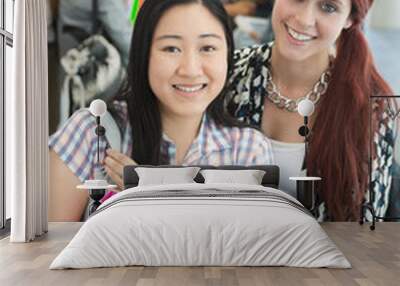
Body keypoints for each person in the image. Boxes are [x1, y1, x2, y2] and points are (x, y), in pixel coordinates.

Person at [48, 0, 274, 222]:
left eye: (207, 48)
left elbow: (248, 252)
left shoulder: (248, 151)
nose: (190, 70)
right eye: (171, 48)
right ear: (143, 54)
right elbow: (49, 251)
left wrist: (148, 192)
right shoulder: (91, 133)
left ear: (228, 55)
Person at [225, 0, 396, 221]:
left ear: (350, 19)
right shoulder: (226, 75)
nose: (304, 19)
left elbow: (365, 232)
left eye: (328, 7)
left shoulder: (371, 107)